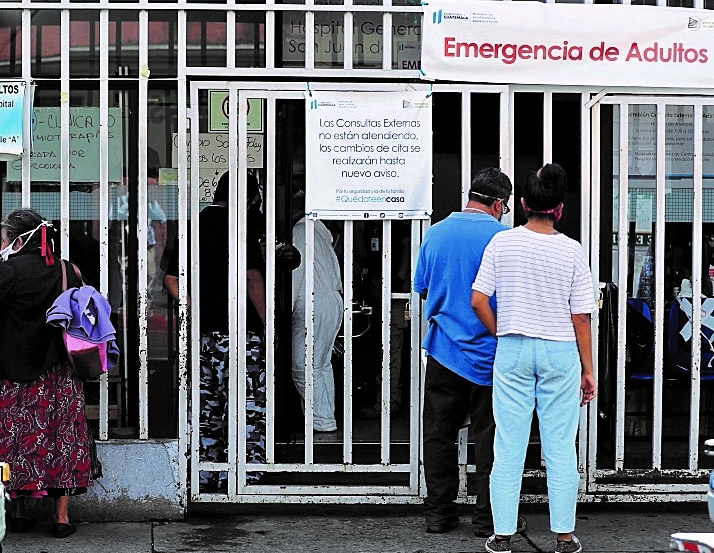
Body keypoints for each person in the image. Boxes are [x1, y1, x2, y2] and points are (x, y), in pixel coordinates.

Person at [470, 163, 597, 553]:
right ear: (559, 209)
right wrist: (588, 370)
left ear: (522, 204)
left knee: (508, 445)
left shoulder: (502, 243)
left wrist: (502, 329)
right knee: (560, 445)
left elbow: (477, 300)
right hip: (560, 350)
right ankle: (563, 537)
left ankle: (502, 535)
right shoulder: (571, 250)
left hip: (513, 348)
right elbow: (581, 315)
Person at [413, 167, 525, 537]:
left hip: (445, 351)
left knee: (439, 433)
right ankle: (487, 518)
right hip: (492, 355)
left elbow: (424, 290)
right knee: (490, 437)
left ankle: (438, 514)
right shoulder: (504, 239)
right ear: (497, 203)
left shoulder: (435, 234)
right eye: (504, 207)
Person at [164, 170, 267, 490]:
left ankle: (205, 472)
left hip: (203, 334)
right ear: (247, 198)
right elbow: (251, 279)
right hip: (239, 332)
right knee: (244, 405)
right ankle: (242, 474)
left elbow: (171, 278)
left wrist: (195, 307)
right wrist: (267, 325)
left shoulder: (192, 225)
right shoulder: (241, 226)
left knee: (207, 407)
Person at [0, 208, 93, 538]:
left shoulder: (7, 272)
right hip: (60, 373)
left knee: (16, 443)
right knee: (62, 440)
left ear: (16, 239)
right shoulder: (68, 270)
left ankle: (19, 510)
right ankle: (62, 519)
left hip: (15, 376)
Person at [291, 197, 344, 432]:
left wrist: (284, 310)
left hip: (312, 302)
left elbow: (296, 273)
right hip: (330, 301)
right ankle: (325, 418)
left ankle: (321, 419)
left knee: (302, 365)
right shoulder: (319, 234)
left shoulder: (300, 232)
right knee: (321, 364)